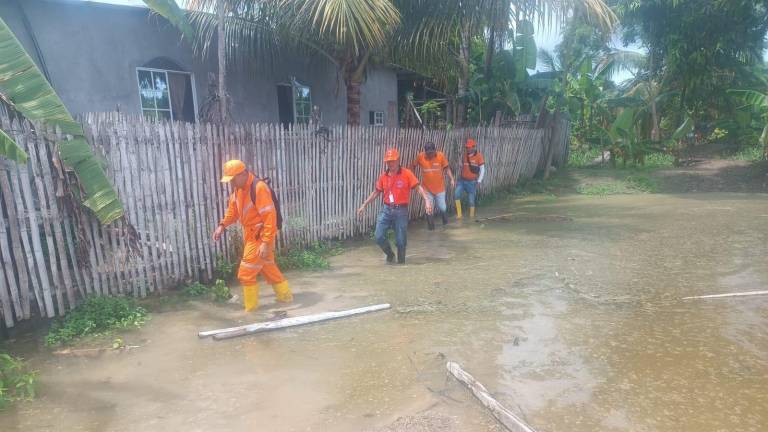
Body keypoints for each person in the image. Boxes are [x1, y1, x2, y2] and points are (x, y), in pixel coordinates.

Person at [212, 160, 292, 312]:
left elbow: (270, 216)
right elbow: (233, 211)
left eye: (233, 179)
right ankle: (286, 299)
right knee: (269, 268)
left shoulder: (259, 188)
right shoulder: (238, 189)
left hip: (260, 237)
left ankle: (251, 312)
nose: (231, 184)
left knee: (245, 274)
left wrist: (265, 242)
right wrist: (222, 225)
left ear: (243, 174)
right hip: (251, 236)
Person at [357, 148, 433, 264]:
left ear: (398, 160)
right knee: (378, 236)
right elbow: (376, 192)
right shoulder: (383, 176)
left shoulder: (407, 173)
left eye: (392, 161)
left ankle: (401, 265)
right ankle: (390, 255)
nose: (390, 163)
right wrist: (364, 205)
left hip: (401, 211)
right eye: (388, 161)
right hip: (386, 209)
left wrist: (427, 200)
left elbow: (418, 188)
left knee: (401, 241)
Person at [410, 142, 455, 230]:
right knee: (429, 209)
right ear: (425, 152)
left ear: (435, 150)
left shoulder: (441, 156)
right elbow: (413, 166)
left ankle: (446, 226)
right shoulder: (420, 156)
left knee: (442, 208)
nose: (430, 155)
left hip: (440, 188)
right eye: (428, 153)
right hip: (426, 189)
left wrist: (452, 179)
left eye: (431, 153)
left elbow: (446, 168)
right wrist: (412, 178)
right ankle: (431, 229)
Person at [454, 138, 485, 220]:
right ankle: (459, 215)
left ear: (473, 147)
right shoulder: (464, 155)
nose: (467, 149)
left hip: (472, 182)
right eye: (466, 147)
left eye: (469, 147)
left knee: (471, 201)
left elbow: (482, 169)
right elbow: (462, 166)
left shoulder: (479, 156)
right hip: (462, 180)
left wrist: (479, 180)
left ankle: (471, 217)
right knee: (456, 194)